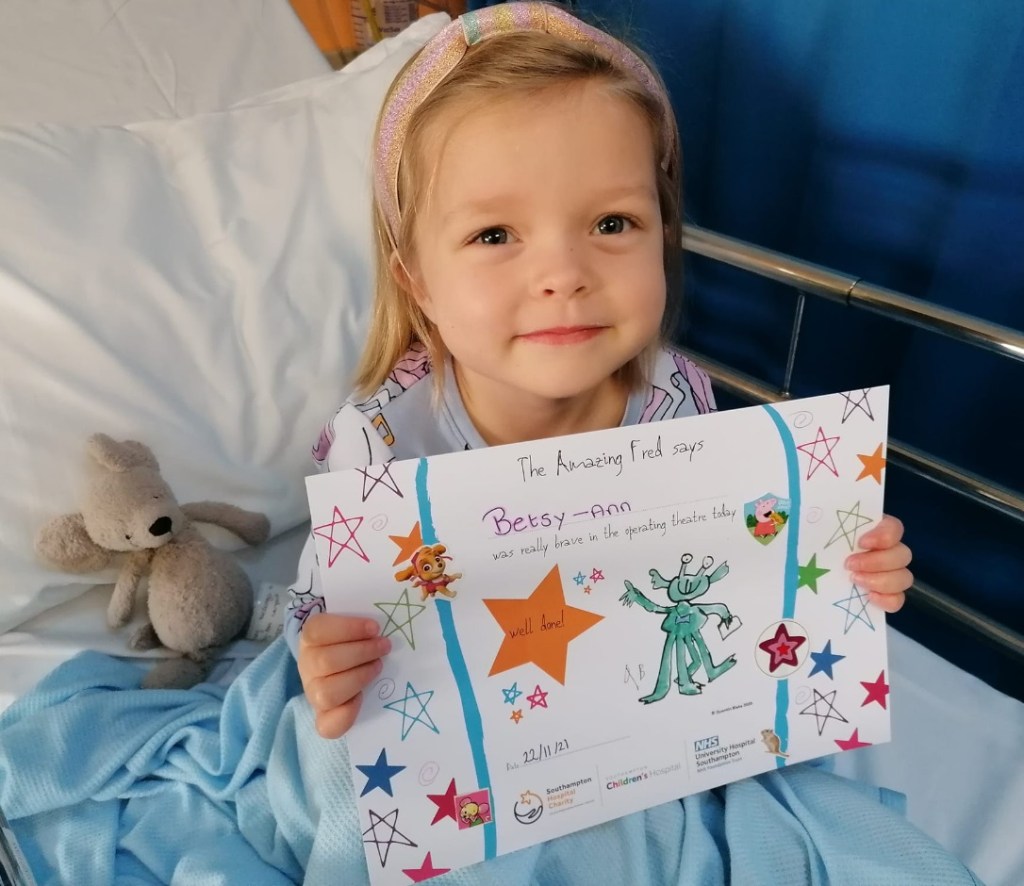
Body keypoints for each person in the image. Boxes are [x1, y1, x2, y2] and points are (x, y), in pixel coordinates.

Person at [287, 2, 912, 740]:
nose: (564, 274)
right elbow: (320, 610)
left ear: (663, 237)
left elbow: (725, 557)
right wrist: (324, 657)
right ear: (418, 282)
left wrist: (841, 564)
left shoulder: (675, 401)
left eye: (612, 224)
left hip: (627, 727)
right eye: (495, 234)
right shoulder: (378, 448)